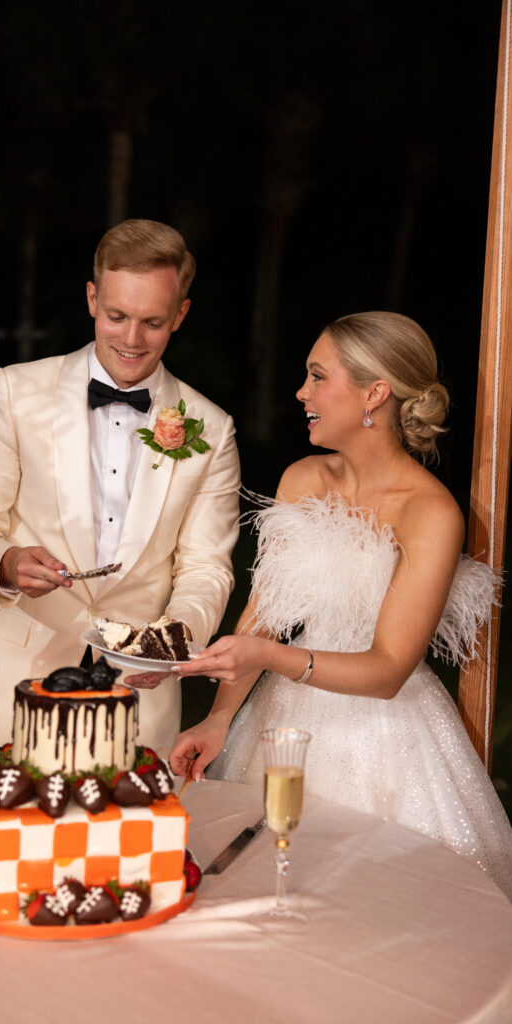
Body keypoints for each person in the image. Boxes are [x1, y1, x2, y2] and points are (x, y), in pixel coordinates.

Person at [170, 311, 512, 898]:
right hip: (281, 728)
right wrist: (222, 716)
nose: (301, 392)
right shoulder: (302, 479)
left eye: (317, 376)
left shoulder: (429, 513)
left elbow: (386, 671)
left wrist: (269, 656)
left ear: (374, 393)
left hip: (387, 737)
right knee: (263, 892)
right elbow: (265, 616)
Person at [0, 219, 241, 765]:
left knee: (120, 850)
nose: (131, 340)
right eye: (117, 316)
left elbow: (207, 567)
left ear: (180, 314)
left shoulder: (212, 428)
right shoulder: (14, 391)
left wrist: (173, 637)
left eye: (152, 322)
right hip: (5, 693)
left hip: (138, 704)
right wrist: (4, 561)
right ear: (91, 298)